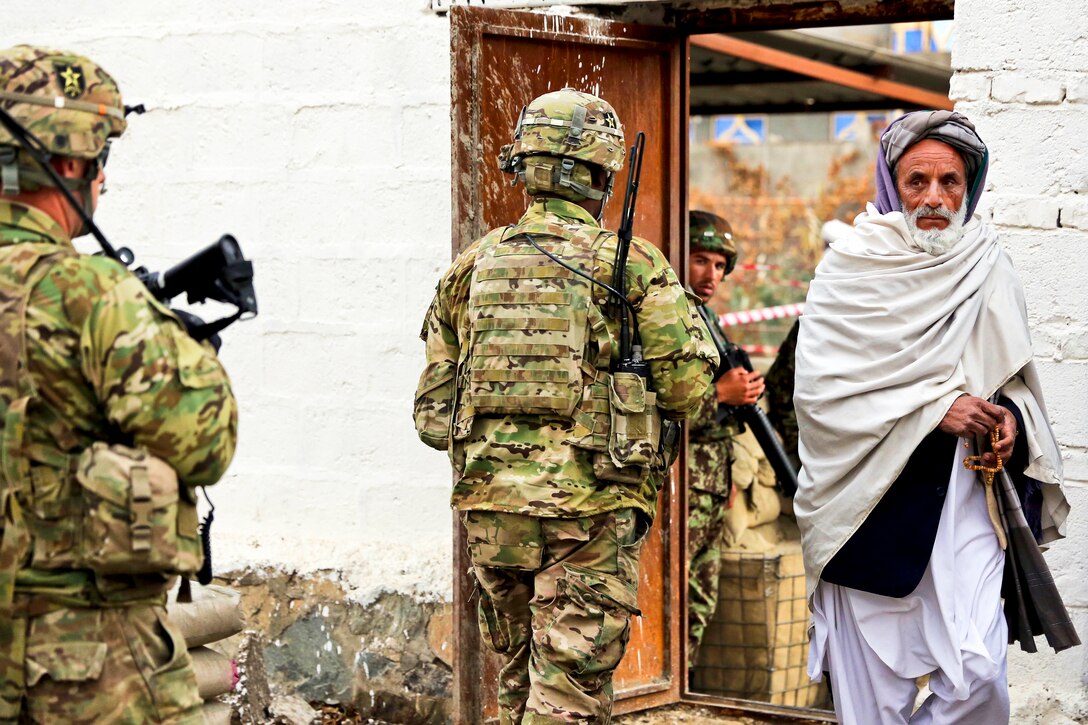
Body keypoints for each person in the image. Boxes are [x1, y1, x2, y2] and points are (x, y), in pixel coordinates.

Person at [414, 88, 717, 724]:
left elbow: (434, 417)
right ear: (601, 175)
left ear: (524, 167)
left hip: (491, 512)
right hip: (590, 511)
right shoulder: (632, 266)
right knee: (569, 696)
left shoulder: (470, 267)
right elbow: (689, 395)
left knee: (520, 684)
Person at [794, 110, 1070, 724]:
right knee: (871, 703)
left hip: (967, 501)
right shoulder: (850, 270)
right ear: (892, 185)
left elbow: (1014, 381)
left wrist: (1012, 422)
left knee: (979, 677)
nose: (935, 199)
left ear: (970, 186)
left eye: (950, 182)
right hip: (867, 503)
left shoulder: (988, 263)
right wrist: (934, 408)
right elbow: (819, 398)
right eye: (917, 181)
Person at [0, 46, 238, 723]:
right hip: (88, 664)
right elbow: (208, 443)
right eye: (101, 158)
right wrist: (188, 348)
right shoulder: (91, 294)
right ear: (71, 164)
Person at [684, 210, 764, 669]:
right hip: (679, 482)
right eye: (700, 260)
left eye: (719, 265)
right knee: (673, 591)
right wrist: (719, 393)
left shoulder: (706, 318)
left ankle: (686, 679)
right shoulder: (667, 317)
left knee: (700, 595)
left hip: (710, 481)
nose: (711, 274)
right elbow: (658, 405)